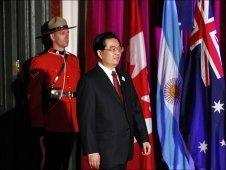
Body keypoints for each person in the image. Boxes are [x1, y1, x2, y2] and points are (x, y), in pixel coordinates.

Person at [77, 32, 151, 170]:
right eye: (112, 49)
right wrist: (92, 150)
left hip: (124, 148)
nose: (117, 53)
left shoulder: (124, 77)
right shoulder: (89, 81)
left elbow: (135, 109)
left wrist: (143, 138)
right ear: (100, 53)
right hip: (105, 149)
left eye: (119, 48)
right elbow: (86, 119)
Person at [27, 16, 80, 170]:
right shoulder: (40, 61)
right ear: (52, 36)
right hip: (52, 122)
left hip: (72, 122)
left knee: (65, 163)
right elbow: (34, 96)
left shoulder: (74, 60)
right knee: (51, 164)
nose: (67, 36)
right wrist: (39, 125)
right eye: (62, 33)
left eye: (67, 32)